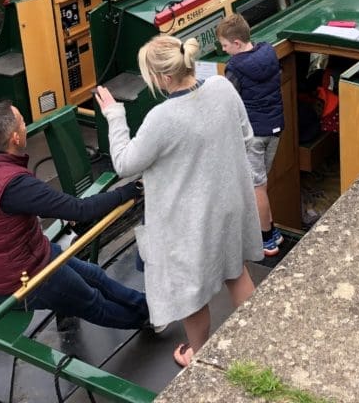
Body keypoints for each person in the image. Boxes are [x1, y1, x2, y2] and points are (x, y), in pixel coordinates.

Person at [94, 35, 261, 369]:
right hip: (230, 203)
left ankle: (199, 356)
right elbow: (245, 135)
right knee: (236, 271)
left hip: (193, 220)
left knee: (190, 292)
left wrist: (114, 115)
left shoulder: (161, 118)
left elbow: (126, 164)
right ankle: (256, 338)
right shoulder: (221, 86)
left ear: (164, 79)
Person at [0, 100, 148, 329]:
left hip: (21, 261)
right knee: (92, 302)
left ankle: (146, 306)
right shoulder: (13, 184)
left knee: (94, 274)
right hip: (24, 279)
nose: (26, 126)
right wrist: (130, 191)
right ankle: (149, 319)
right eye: (22, 123)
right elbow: (80, 210)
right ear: (15, 139)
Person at [216, 14, 285, 257]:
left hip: (254, 133)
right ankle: (274, 230)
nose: (224, 50)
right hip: (275, 128)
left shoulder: (235, 67)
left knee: (256, 187)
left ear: (236, 43)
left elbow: (229, 100)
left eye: (225, 45)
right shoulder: (268, 51)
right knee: (261, 184)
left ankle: (266, 240)